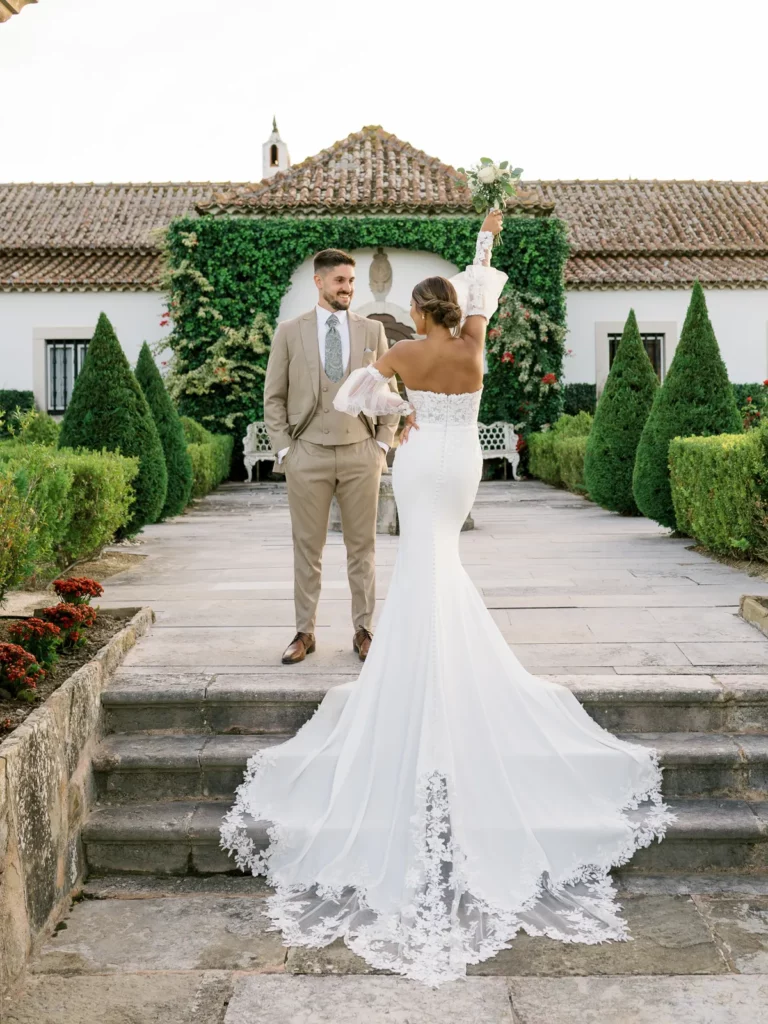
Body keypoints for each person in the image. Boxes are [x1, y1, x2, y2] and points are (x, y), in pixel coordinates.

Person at [222, 212, 673, 986]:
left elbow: (361, 402)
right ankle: (447, 665)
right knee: (444, 562)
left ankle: (411, 666)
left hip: (419, 459)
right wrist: (486, 239)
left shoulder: (397, 351)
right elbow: (481, 290)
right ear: (451, 310)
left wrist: (393, 431)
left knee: (417, 565)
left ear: (415, 312)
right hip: (460, 465)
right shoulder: (471, 350)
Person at [263, 249, 400, 665]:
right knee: (308, 548)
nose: (348, 289)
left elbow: (389, 393)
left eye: (352, 282)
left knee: (364, 548)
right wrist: (286, 448)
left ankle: (364, 630)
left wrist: (381, 445)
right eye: (341, 281)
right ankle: (305, 632)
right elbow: (274, 396)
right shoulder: (289, 331)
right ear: (319, 282)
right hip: (308, 454)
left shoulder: (372, 331)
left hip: (360, 453)